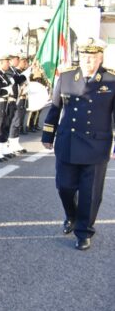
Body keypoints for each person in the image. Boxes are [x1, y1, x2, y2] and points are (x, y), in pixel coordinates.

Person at [42, 39, 115, 251]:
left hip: (96, 145)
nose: (88, 60)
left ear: (100, 57)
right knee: (64, 186)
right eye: (84, 56)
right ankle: (72, 215)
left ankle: (84, 231)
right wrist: (48, 135)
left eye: (92, 57)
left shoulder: (110, 79)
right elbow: (55, 108)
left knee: (90, 193)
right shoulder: (66, 77)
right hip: (68, 142)